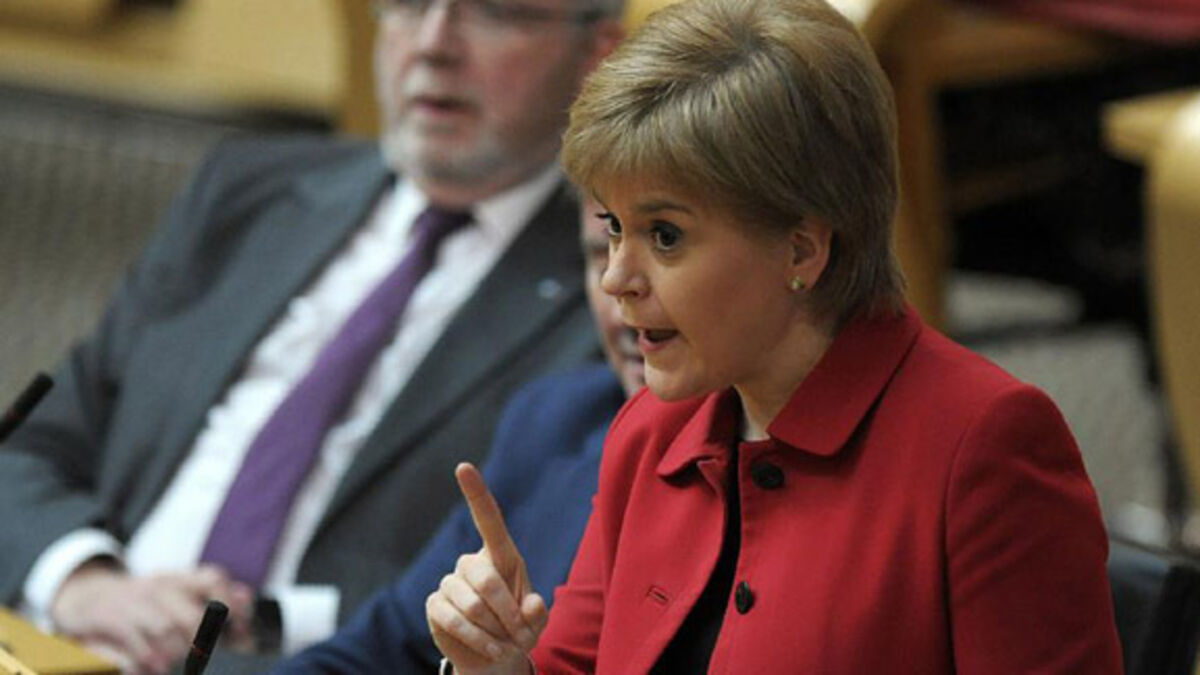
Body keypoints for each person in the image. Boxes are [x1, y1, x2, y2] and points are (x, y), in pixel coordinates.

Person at [425, 0, 1124, 672]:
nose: (616, 278)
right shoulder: (652, 432)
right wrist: (499, 669)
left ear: (801, 250)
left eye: (664, 235)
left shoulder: (986, 446)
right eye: (614, 227)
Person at [0, 0, 623, 672]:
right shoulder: (251, 188)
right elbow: (31, 440)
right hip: (55, 632)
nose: (433, 44)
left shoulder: (618, 292)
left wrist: (255, 622)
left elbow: (531, 586)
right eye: (408, 4)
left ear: (596, 52)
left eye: (493, 14)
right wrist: (80, 580)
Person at [276, 198, 643, 673]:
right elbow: (387, 645)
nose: (624, 313)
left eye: (666, 246)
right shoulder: (555, 418)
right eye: (601, 257)